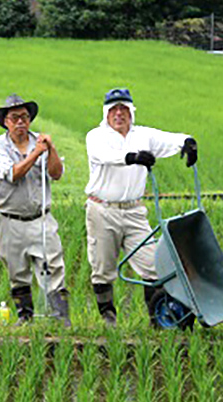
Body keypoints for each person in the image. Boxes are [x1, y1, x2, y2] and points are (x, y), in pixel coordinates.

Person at [85, 87, 198, 326]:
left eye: (123, 109)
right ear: (106, 113)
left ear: (131, 112)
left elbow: (172, 139)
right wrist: (133, 157)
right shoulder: (95, 136)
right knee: (103, 267)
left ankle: (158, 320)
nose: (119, 114)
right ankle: (108, 318)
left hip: (134, 211)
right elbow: (105, 156)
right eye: (114, 109)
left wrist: (187, 142)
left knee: (154, 265)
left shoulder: (143, 135)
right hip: (102, 209)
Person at [0, 94, 71, 327]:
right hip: (10, 219)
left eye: (25, 117)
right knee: (17, 269)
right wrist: (36, 154)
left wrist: (51, 149)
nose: (21, 122)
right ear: (6, 121)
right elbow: (13, 174)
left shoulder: (41, 142)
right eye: (15, 118)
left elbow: (56, 174)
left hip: (40, 217)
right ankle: (25, 317)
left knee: (53, 265)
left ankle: (60, 317)